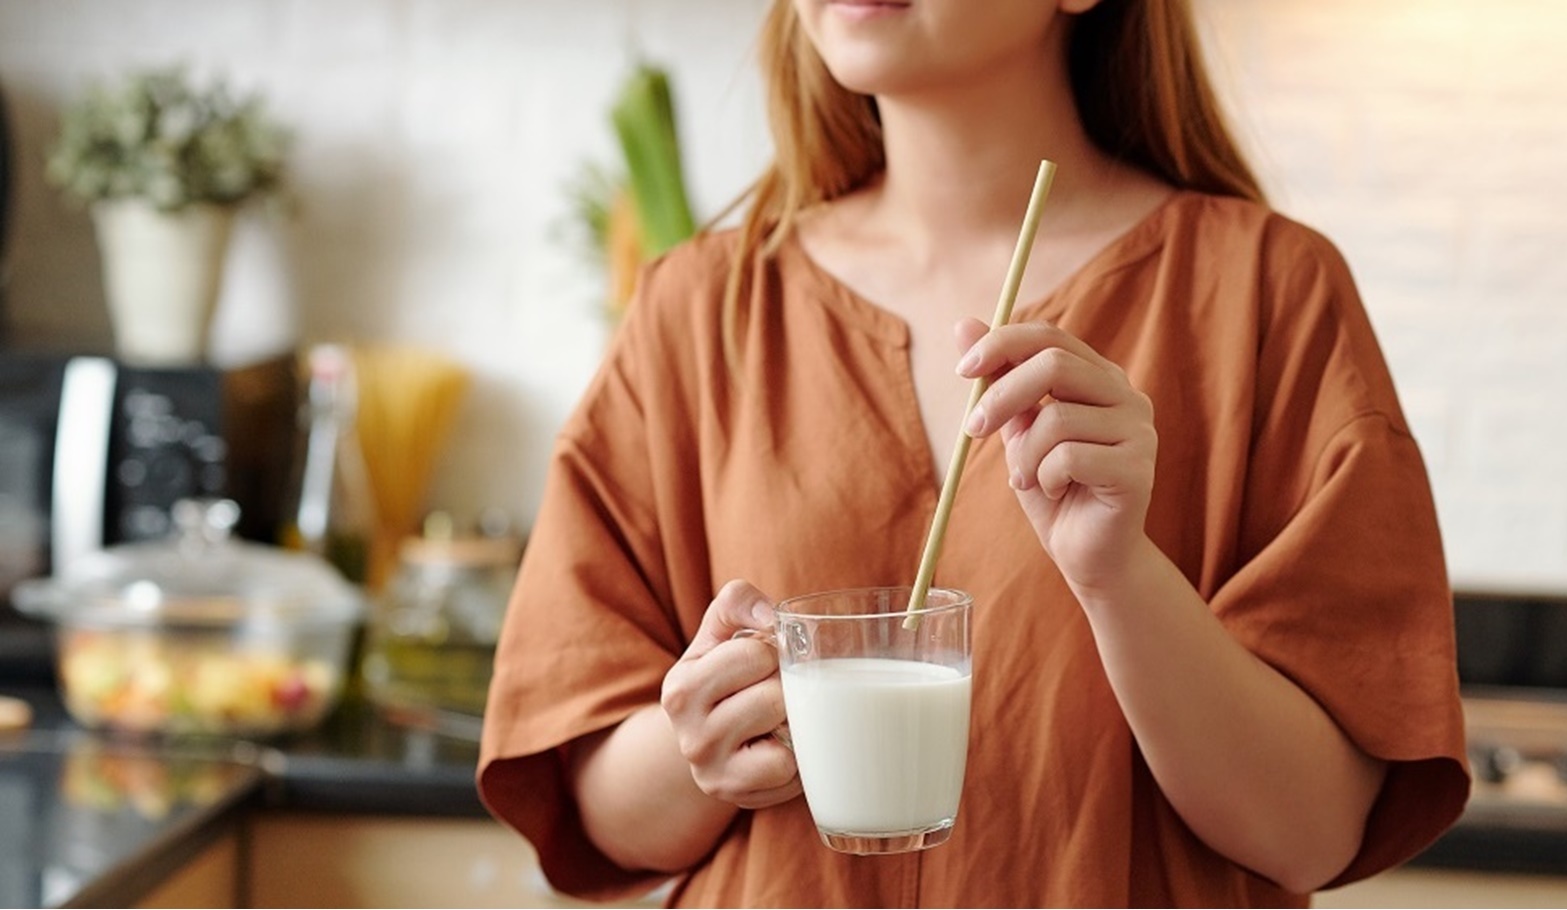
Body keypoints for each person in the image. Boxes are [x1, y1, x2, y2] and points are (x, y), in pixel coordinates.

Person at [477, 0, 1471, 905]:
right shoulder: (693, 312)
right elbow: (600, 813)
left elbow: (1310, 831)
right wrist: (698, 740)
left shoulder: (1271, 296)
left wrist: (1120, 574)